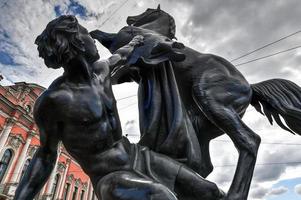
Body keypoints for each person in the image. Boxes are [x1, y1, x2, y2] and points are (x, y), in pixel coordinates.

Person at [14, 15, 224, 200]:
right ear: (75, 42)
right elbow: (45, 156)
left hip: (136, 156)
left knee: (210, 192)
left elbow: (121, 55)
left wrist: (135, 41)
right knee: (161, 197)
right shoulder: (54, 101)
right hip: (109, 177)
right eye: (87, 34)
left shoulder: (101, 70)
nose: (93, 39)